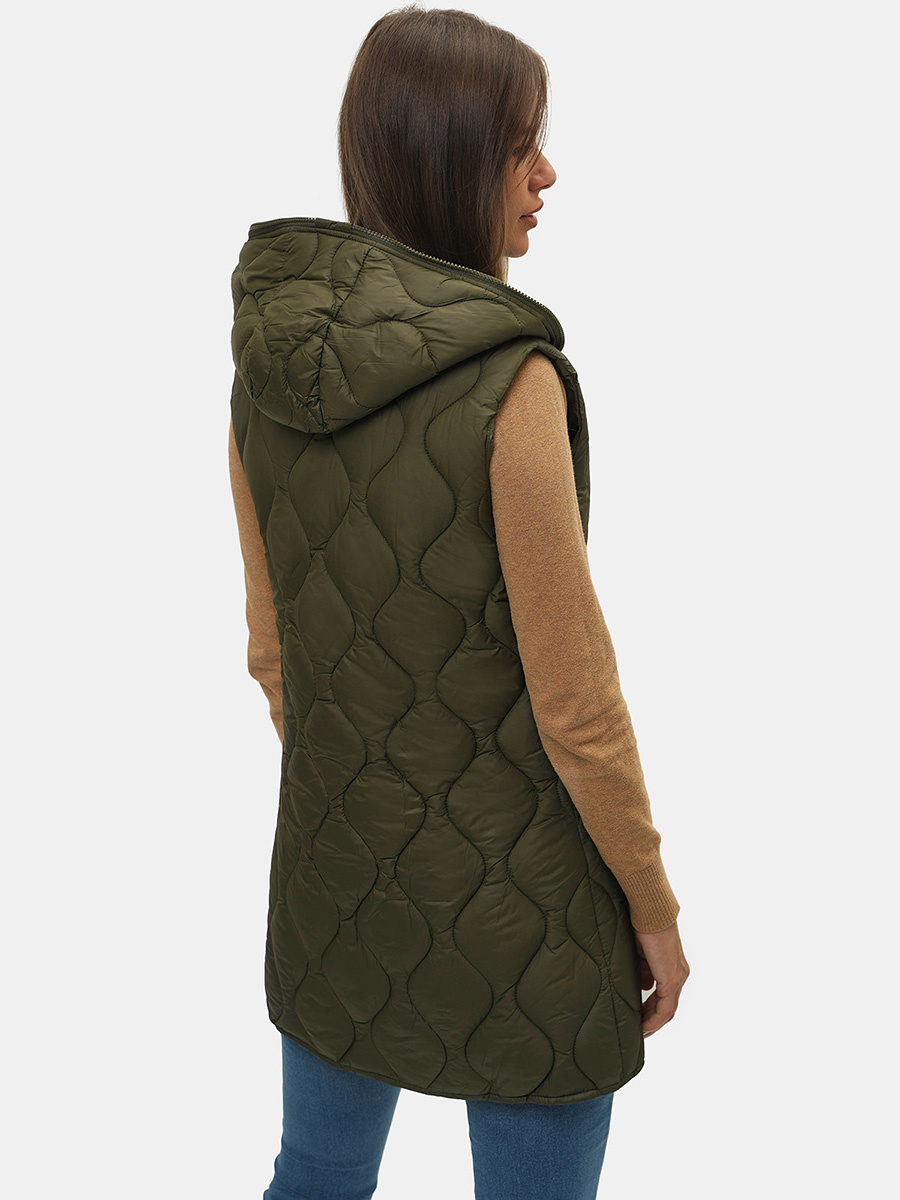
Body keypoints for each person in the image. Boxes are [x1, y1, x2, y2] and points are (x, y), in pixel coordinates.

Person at [228, 7, 690, 1199]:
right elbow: (576, 706)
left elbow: (277, 658)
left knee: (314, 1178)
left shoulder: (261, 380)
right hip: (531, 922)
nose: (547, 174)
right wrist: (651, 904)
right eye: (521, 144)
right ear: (450, 154)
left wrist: (375, 811)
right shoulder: (511, 386)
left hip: (335, 886)